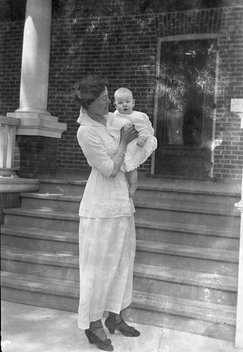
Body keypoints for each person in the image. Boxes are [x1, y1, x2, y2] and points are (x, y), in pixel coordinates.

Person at [74, 75, 140, 352]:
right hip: (99, 206)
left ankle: (115, 315)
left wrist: (131, 142)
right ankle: (92, 324)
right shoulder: (85, 131)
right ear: (88, 103)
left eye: (106, 96)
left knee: (123, 261)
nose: (107, 100)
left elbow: (134, 146)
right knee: (96, 268)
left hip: (121, 201)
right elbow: (110, 169)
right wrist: (124, 143)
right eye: (102, 98)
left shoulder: (111, 121)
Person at [113, 87, 157, 197]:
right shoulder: (114, 115)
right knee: (121, 167)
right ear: (115, 105)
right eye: (120, 103)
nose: (124, 105)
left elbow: (145, 130)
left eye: (127, 102)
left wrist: (142, 138)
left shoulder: (137, 116)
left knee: (131, 166)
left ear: (133, 103)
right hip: (120, 143)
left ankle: (133, 185)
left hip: (133, 145)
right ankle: (124, 185)